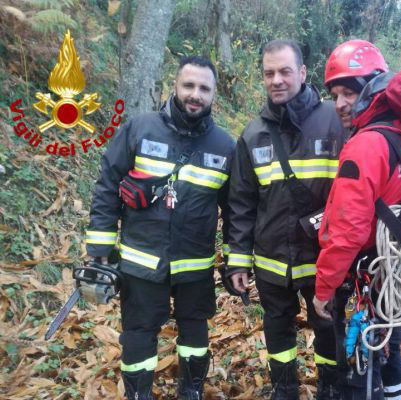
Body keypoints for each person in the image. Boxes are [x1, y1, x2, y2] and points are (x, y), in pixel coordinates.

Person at [86, 56, 234, 399]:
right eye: (189, 86)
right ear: (175, 86)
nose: (195, 95)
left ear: (213, 95)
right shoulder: (139, 129)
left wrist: (234, 258)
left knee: (195, 333)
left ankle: (191, 390)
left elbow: (236, 209)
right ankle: (139, 393)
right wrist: (100, 247)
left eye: (203, 88)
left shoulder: (226, 147)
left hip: (195, 266)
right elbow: (108, 184)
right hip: (141, 263)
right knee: (138, 332)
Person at [224, 39, 345, 399]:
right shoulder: (252, 134)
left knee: (329, 326)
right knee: (277, 329)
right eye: (269, 73)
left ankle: (331, 388)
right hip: (272, 259)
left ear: (303, 73)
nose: (276, 80)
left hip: (324, 259)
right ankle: (285, 388)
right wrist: (237, 261)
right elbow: (241, 203)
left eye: (285, 71)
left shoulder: (335, 121)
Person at [313, 39, 401, 400]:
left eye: (349, 93)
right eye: (335, 95)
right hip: (392, 272)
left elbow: (347, 230)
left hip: (366, 277)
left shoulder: (366, 144)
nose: (340, 104)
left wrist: (323, 288)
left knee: (360, 364)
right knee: (389, 353)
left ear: (372, 89)